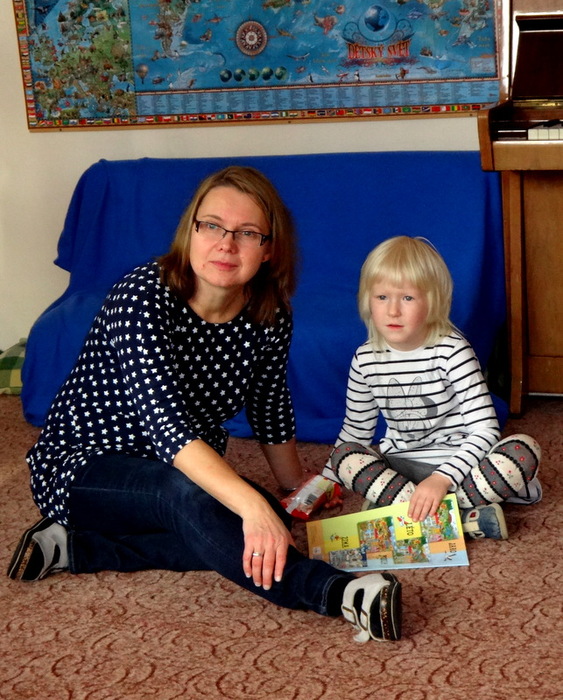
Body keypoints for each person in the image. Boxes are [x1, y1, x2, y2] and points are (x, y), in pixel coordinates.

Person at [8, 166, 401, 644]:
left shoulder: (270, 310)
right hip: (83, 467)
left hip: (179, 469)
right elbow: (169, 431)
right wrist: (249, 506)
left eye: (247, 233)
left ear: (268, 248)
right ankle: (337, 593)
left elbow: (269, 403)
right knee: (208, 504)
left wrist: (291, 486)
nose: (226, 244)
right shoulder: (141, 298)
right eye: (212, 225)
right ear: (190, 231)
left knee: (268, 518)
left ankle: (80, 549)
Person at [322, 236, 542, 540]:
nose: (393, 311)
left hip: (460, 466)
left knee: (523, 450)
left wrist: (442, 478)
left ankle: (410, 511)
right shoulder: (365, 359)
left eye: (407, 298)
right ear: (367, 300)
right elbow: (356, 430)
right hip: (403, 468)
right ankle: (461, 517)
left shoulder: (452, 351)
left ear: (433, 301)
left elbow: (486, 430)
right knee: (344, 455)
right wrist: (325, 483)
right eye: (382, 297)